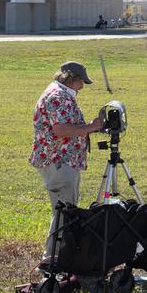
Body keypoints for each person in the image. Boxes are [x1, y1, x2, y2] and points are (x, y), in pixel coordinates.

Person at [29, 61, 105, 270]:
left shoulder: (58, 94)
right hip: (59, 161)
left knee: (63, 210)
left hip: (59, 160)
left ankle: (58, 255)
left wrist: (86, 128)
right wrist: (91, 127)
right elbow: (60, 130)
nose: (82, 87)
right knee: (65, 211)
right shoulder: (58, 97)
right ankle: (52, 258)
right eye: (81, 82)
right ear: (71, 79)